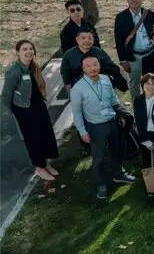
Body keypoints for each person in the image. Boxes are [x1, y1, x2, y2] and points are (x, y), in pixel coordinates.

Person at [70, 56, 137, 200]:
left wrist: (120, 114)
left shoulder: (106, 79)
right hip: (96, 126)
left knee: (117, 150)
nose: (92, 68)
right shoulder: (77, 89)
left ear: (99, 65)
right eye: (88, 66)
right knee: (98, 157)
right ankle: (101, 184)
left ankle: (119, 174)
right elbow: (77, 113)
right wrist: (82, 132)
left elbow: (113, 99)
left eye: (95, 64)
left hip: (112, 122)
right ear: (83, 68)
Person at [2, 40, 59, 181]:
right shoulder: (14, 70)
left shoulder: (33, 67)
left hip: (38, 106)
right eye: (24, 49)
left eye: (30, 48)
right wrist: (13, 111)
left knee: (45, 135)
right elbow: (6, 94)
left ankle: (45, 163)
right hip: (25, 110)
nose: (28, 52)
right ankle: (39, 168)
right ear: (18, 52)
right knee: (33, 139)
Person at [113, 0, 154, 100]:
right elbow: (118, 40)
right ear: (127, 0)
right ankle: (138, 106)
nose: (134, 0)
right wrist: (123, 60)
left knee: (152, 81)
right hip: (133, 57)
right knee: (134, 84)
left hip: (150, 54)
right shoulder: (121, 17)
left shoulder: (149, 14)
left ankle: (152, 104)